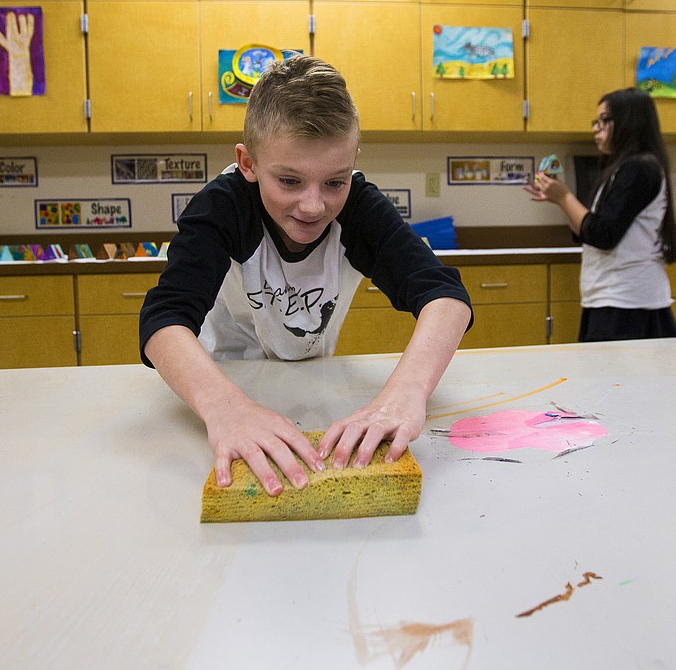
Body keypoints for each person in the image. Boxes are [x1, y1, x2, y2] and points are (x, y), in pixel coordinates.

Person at [139, 55, 473, 495]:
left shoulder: (359, 209)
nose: (313, 206)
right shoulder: (222, 208)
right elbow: (164, 320)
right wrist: (226, 409)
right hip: (217, 382)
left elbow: (445, 297)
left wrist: (404, 394)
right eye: (290, 181)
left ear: (352, 162)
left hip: (313, 380)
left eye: (334, 182)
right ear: (249, 163)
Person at [524, 87, 676, 342]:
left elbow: (603, 234)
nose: (596, 128)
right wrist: (560, 201)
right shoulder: (622, 169)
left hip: (628, 301)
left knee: (616, 381)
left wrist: (564, 196)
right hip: (614, 298)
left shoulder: (639, 169)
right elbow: (589, 231)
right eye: (595, 121)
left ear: (629, 122)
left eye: (604, 120)